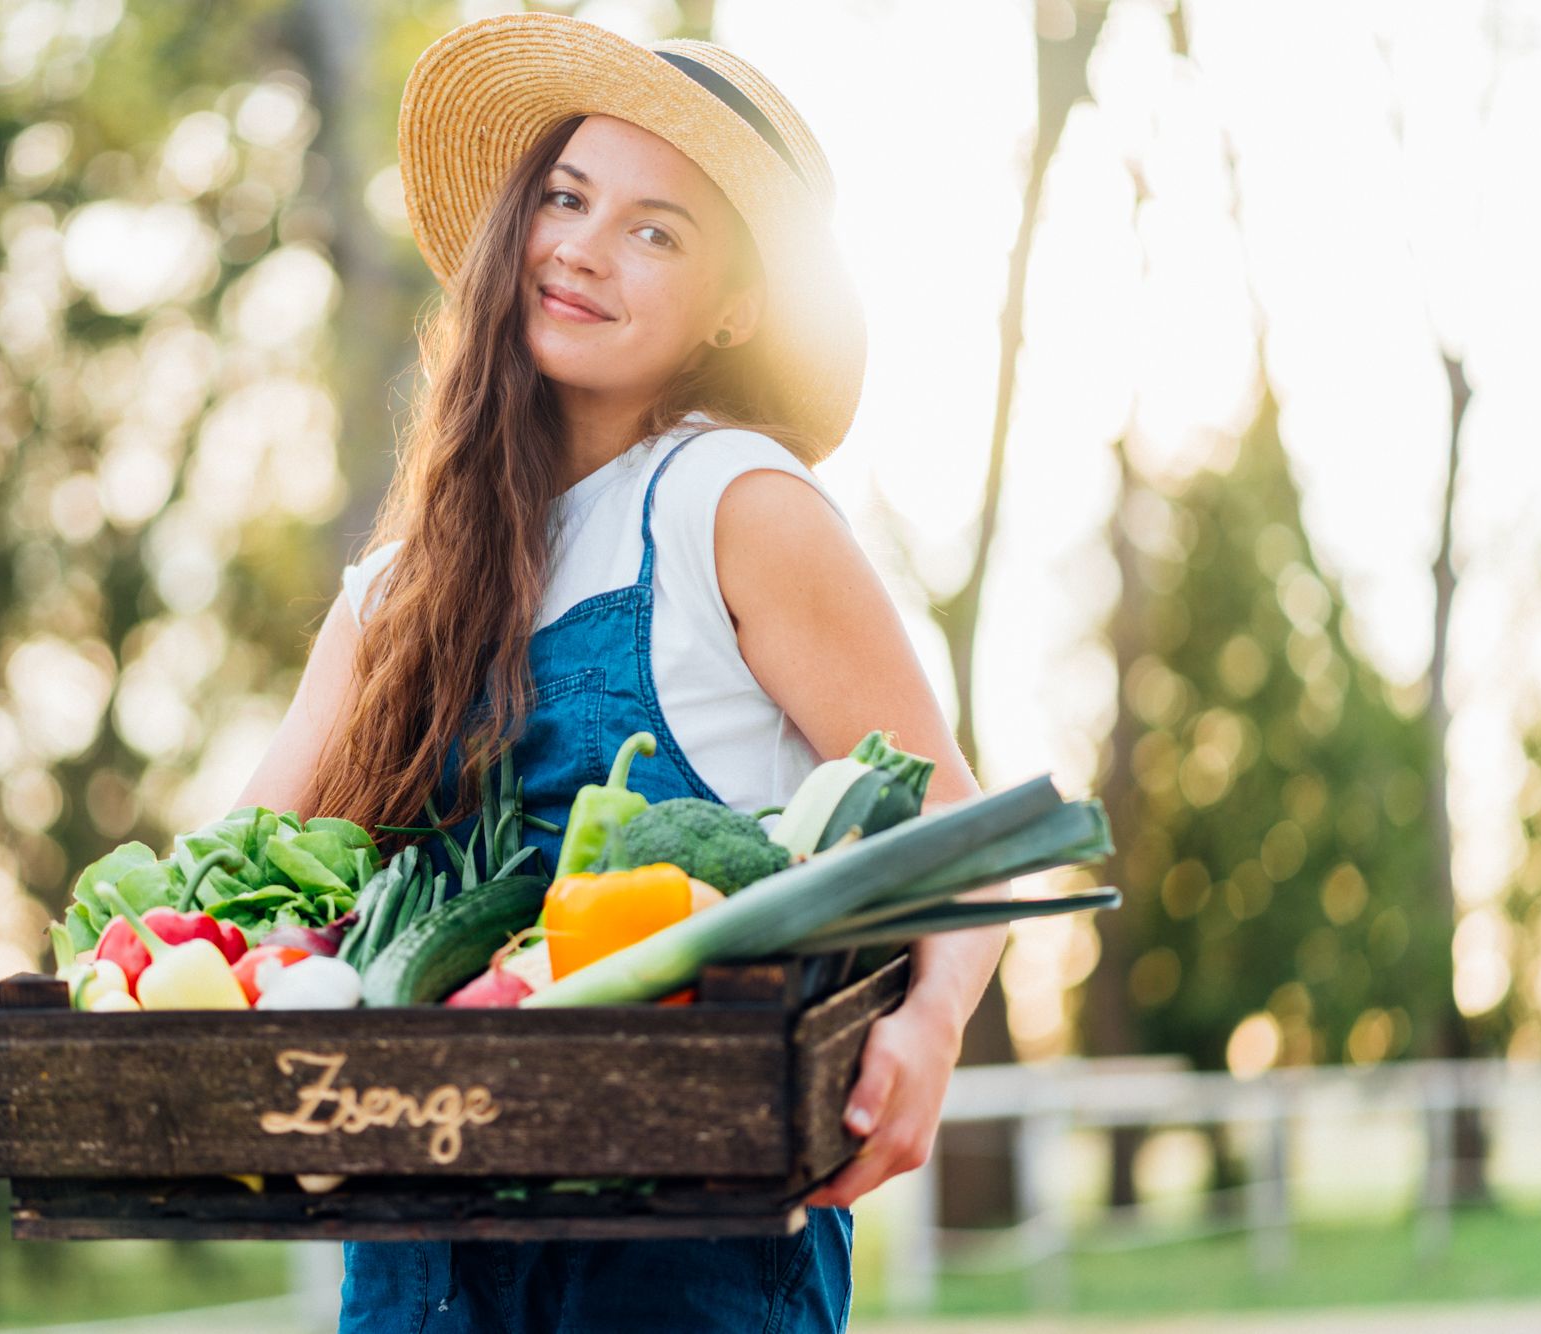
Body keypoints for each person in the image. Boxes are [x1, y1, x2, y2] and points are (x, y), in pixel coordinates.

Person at [235, 13, 1008, 1332]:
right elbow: (249, 884)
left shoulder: (730, 502)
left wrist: (926, 1030)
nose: (586, 247)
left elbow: (959, 833)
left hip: (683, 1279)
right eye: (567, 197)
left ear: (737, 305)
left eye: (658, 230)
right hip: (415, 1288)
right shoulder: (395, 592)